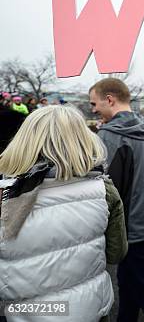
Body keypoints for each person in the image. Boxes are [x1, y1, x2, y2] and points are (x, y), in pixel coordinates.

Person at [0, 105, 127, 321]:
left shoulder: (5, 193)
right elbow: (116, 253)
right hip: (88, 309)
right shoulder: (104, 190)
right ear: (83, 140)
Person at [89, 78, 144, 322]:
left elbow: (107, 191)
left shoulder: (109, 136)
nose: (93, 109)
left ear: (110, 99)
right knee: (130, 288)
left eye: (94, 103)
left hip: (131, 229)